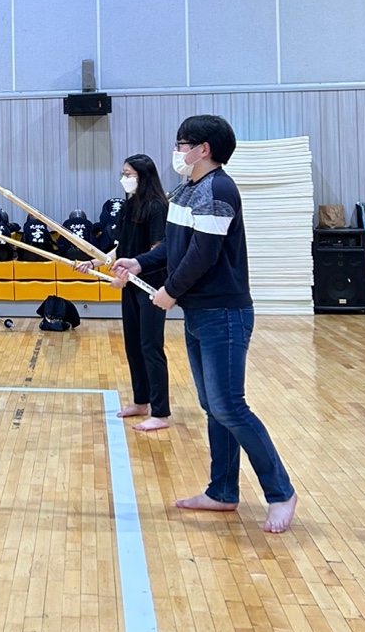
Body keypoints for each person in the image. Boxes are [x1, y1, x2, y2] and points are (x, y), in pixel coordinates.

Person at [112, 116, 296, 534]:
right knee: (214, 406)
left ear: (203, 149)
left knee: (230, 405)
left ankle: (281, 492)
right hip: (198, 313)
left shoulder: (219, 190)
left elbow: (203, 254)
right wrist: (139, 262)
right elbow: (175, 246)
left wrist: (169, 291)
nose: (177, 151)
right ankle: (223, 491)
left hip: (224, 314)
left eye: (182, 144)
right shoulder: (185, 190)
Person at [89, 155, 171, 432]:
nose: (124, 178)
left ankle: (161, 412)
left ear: (143, 176)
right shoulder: (129, 205)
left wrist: (132, 270)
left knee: (150, 346)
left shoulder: (157, 206)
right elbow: (121, 248)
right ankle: (140, 402)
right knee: (133, 345)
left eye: (129, 174)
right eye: (123, 173)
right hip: (131, 284)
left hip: (151, 285)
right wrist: (95, 262)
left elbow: (159, 249)